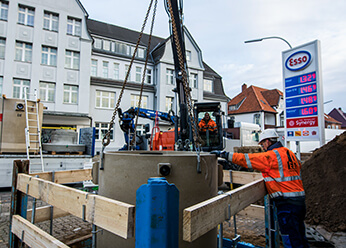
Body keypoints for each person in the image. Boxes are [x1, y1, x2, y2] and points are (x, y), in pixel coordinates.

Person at [211, 129, 309, 248]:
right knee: (300, 236)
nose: (262, 147)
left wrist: (224, 154)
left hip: (286, 204)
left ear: (267, 142)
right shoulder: (290, 153)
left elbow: (246, 159)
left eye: (262, 144)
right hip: (299, 202)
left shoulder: (272, 156)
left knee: (291, 240)